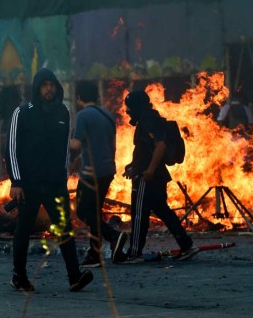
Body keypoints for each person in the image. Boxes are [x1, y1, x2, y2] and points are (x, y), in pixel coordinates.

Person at [5, 67, 93, 292]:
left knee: (65, 230)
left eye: (52, 85)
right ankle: (20, 277)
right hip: (29, 185)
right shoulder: (22, 112)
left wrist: (64, 177)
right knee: (23, 231)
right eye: (45, 85)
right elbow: (11, 149)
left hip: (55, 184)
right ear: (37, 88)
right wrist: (16, 182)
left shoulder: (63, 112)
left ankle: (74, 277)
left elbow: (65, 149)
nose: (49, 89)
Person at [121, 89, 198, 263]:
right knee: (164, 212)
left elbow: (160, 145)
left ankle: (134, 253)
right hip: (156, 176)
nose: (127, 111)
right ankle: (187, 246)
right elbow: (145, 150)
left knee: (139, 214)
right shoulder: (150, 118)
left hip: (148, 178)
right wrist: (132, 165)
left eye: (130, 107)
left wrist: (148, 170)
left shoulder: (148, 120)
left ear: (137, 106)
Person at [69, 81, 128, 267]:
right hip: (108, 170)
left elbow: (76, 145)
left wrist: (59, 138)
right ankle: (94, 255)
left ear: (79, 98)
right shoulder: (108, 115)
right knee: (95, 212)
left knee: (83, 212)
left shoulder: (83, 115)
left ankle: (114, 236)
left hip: (91, 173)